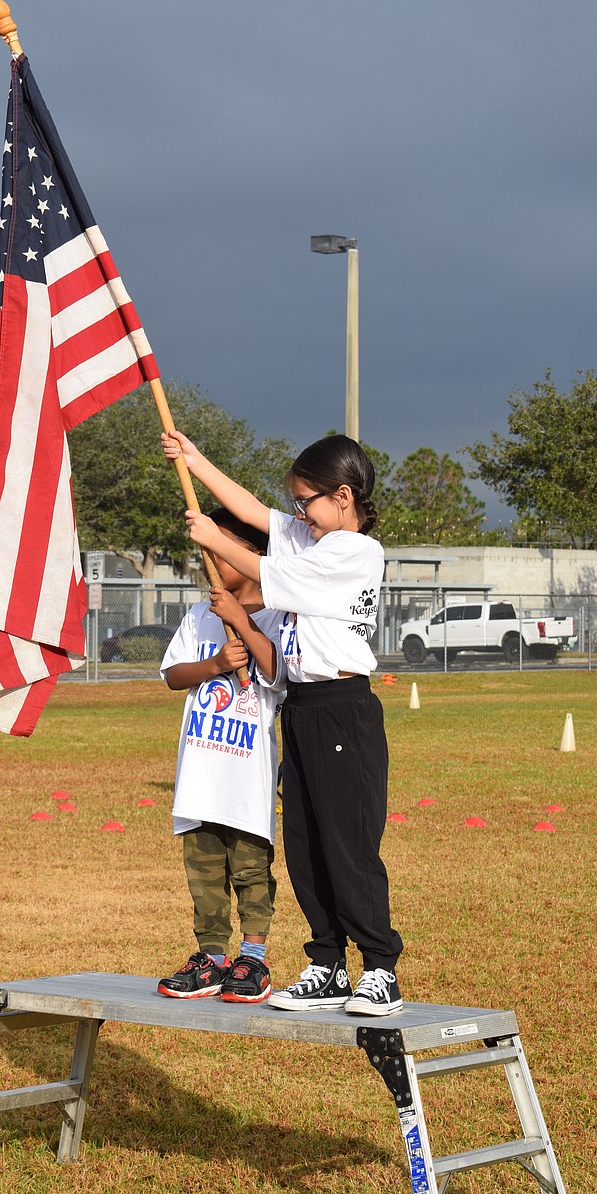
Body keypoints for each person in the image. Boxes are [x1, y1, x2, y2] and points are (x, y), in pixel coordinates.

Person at [162, 429, 404, 1017]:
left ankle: (378, 967)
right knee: (306, 846)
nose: (299, 515)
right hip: (300, 705)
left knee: (347, 845)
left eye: (307, 503)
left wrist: (216, 539)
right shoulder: (314, 537)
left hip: (342, 705)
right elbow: (254, 512)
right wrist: (195, 460)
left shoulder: (353, 552)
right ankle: (327, 963)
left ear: (342, 497)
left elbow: (264, 570)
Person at [157, 508, 286, 1004]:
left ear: (253, 554)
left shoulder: (279, 614)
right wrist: (213, 664)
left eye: (221, 546)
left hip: (246, 780)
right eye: (206, 547)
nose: (210, 555)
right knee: (204, 871)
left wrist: (242, 624)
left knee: (251, 871)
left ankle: (252, 958)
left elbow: (278, 673)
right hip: (201, 776)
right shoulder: (198, 615)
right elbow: (172, 675)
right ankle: (210, 959)